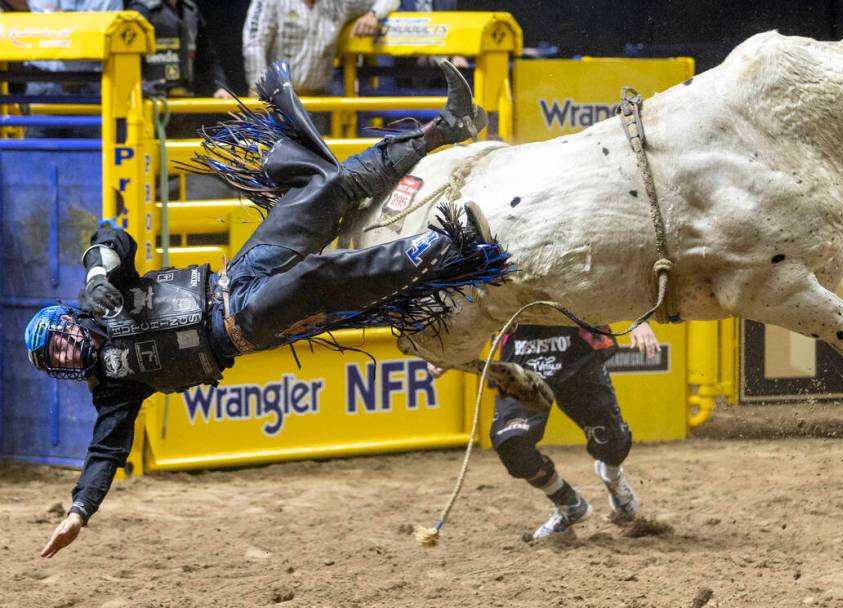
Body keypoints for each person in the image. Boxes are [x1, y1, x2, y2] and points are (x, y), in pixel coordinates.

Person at [26, 59, 502, 557]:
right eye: (55, 359)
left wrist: (98, 273)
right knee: (309, 282)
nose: (65, 354)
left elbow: (110, 233)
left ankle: (448, 127)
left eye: (57, 342)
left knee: (323, 188)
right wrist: (79, 511)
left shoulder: (105, 297)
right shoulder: (116, 389)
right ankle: (442, 247)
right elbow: (105, 453)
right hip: (242, 324)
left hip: (238, 274)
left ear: (68, 321)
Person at [430, 322, 660, 538]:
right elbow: (482, 299)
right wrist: (452, 351)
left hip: (578, 354)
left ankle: (612, 477)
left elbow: (610, 281)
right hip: (523, 361)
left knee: (614, 443)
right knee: (512, 444)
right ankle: (568, 504)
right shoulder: (498, 278)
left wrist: (639, 321)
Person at [242, 0, 399, 97]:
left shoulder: (339, 3)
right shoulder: (270, 2)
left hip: (320, 98)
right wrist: (257, 87)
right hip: (279, 101)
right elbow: (255, 43)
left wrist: (373, 15)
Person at [22, 0, 123, 138]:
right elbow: (45, 27)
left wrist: (64, 24)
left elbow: (108, 34)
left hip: (91, 83)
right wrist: (85, 28)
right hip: (45, 83)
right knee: (37, 153)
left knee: (91, 154)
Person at [126, 0, 233, 100]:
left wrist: (220, 87)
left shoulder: (190, 10)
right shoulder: (141, 10)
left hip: (185, 100)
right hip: (151, 102)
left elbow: (207, 57)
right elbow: (127, 59)